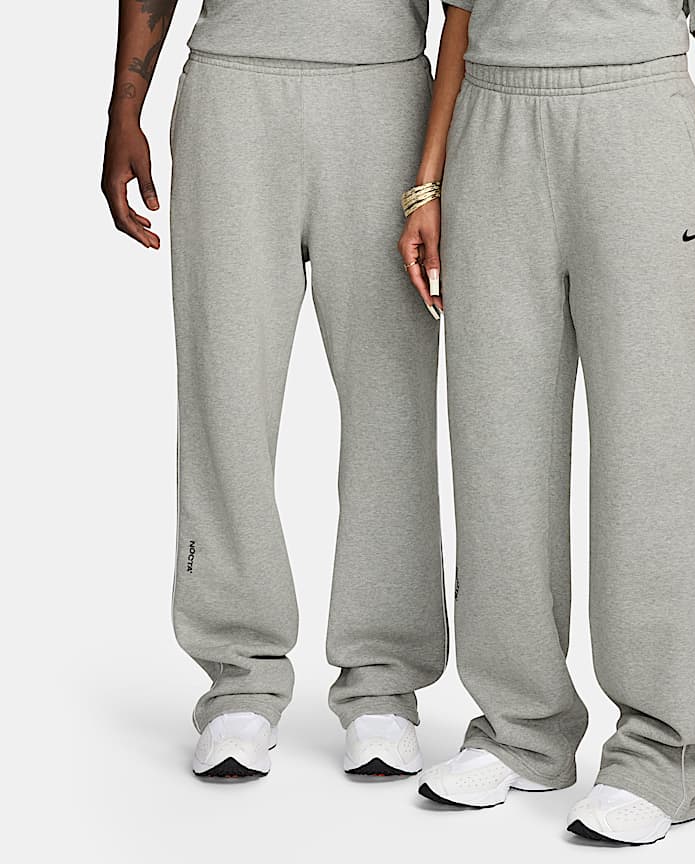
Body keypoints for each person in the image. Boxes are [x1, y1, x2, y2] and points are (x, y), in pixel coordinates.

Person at [399, 0, 695, 845]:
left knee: (650, 457)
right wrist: (427, 182)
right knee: (496, 450)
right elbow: (459, 18)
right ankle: (520, 728)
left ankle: (661, 754)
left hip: (637, 123)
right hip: (491, 129)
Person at [102, 0, 448, 780]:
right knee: (225, 394)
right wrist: (126, 109)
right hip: (232, 89)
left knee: (392, 404)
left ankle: (384, 679)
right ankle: (239, 678)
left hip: (386, 92)